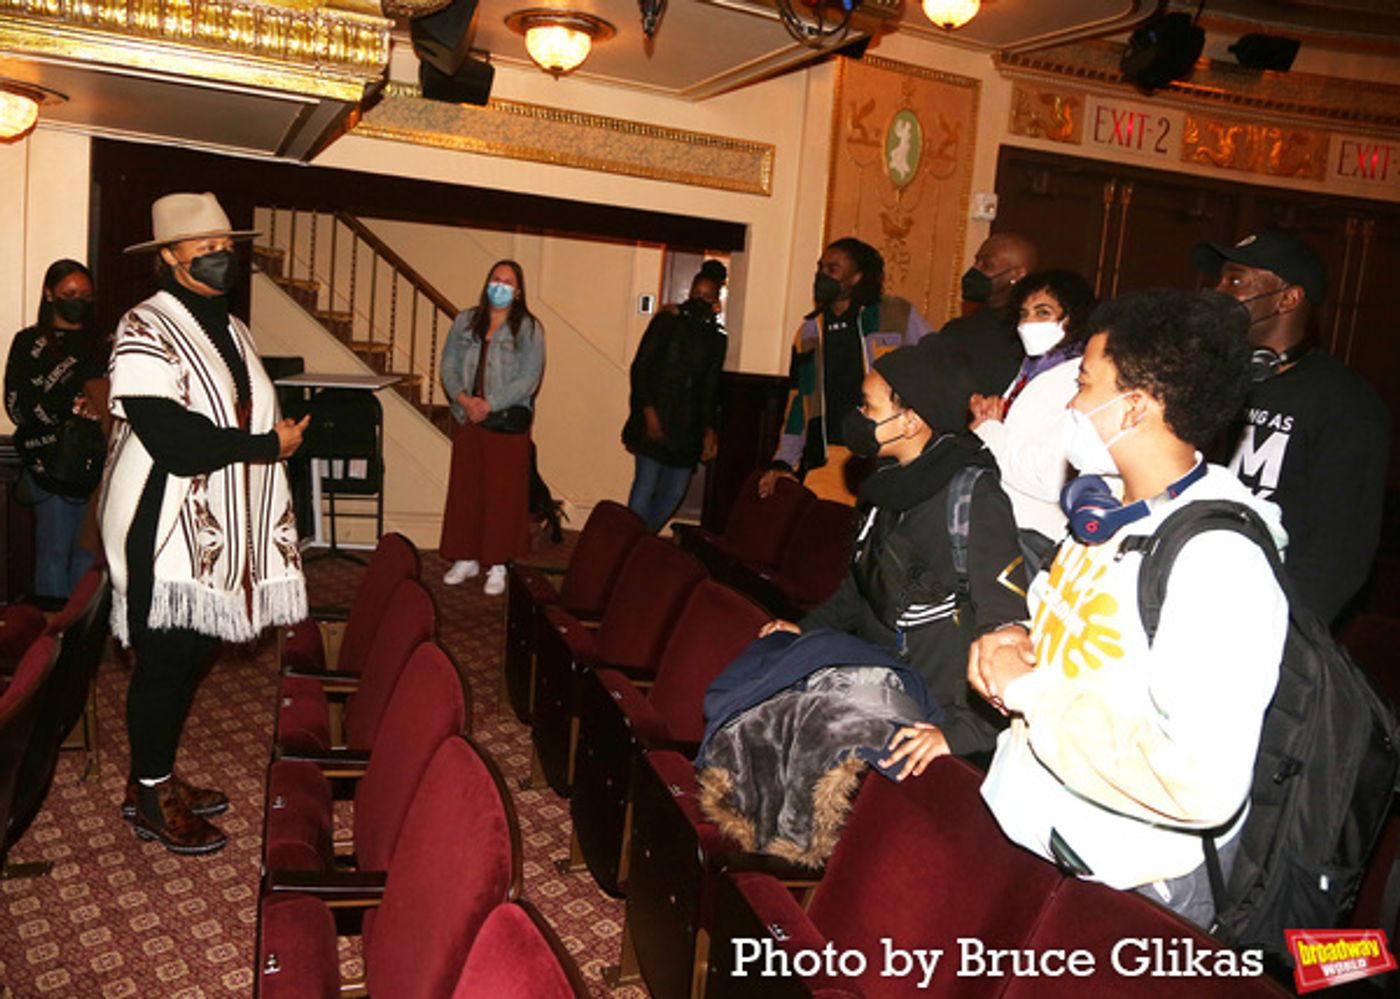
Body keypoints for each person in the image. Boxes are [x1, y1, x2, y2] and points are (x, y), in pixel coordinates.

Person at [974, 289, 1288, 929]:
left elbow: (1198, 782)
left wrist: (1032, 690)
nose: (1072, 402)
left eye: (1086, 383)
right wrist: (1022, 637)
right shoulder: (1113, 508)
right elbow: (1105, 644)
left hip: (1132, 886)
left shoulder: (1218, 562)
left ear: (1135, 407)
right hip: (1048, 833)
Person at [103, 192, 309, 854]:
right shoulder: (144, 325)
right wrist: (265, 447)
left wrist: (266, 437)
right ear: (168, 257)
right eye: (204, 245)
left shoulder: (230, 325)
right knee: (164, 663)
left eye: (226, 243)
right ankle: (152, 799)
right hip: (163, 525)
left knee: (192, 656)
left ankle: (149, 778)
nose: (221, 254)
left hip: (218, 533)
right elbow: (176, 438)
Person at [762, 336, 1028, 774]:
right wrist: (803, 631)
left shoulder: (973, 495)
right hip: (879, 679)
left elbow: (1004, 631)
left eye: (869, 407)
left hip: (935, 719)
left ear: (910, 422)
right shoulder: (887, 485)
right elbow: (861, 587)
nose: (859, 417)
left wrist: (958, 736)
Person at [1192, 232, 1390, 625]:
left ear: (1288, 298)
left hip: (1264, 621)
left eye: (1235, 280)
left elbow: (1338, 553)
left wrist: (1288, 638)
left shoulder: (1345, 403)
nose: (1217, 292)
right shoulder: (1209, 379)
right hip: (1194, 593)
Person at [759, 237, 930, 505]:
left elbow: (934, 366)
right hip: (827, 459)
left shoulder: (896, 315)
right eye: (820, 268)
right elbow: (798, 402)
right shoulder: (809, 331)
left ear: (856, 277)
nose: (822, 275)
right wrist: (784, 460)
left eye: (832, 269)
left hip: (884, 456)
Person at [968, 270, 1096, 571]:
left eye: (1044, 312)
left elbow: (1050, 479)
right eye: (1024, 313)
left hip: (1037, 537)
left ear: (1073, 318)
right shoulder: (1031, 370)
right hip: (1003, 526)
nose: (1029, 323)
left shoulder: (1078, 379)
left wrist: (989, 429)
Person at [439, 260, 546, 595]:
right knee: (467, 489)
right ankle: (466, 557)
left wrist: (490, 403)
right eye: (495, 279)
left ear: (518, 291)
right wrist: (463, 399)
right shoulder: (465, 321)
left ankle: (498, 564)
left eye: (507, 282)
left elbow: (529, 378)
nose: (499, 286)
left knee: (501, 494)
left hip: (505, 421)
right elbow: (448, 364)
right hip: (468, 417)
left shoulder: (528, 328)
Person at [5, 259, 107, 603]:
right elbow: (16, 404)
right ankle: (50, 642)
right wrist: (69, 409)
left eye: (86, 296)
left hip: (97, 463)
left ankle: (79, 640)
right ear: (50, 294)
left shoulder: (105, 342)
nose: (78, 301)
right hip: (47, 462)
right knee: (53, 551)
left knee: (87, 553)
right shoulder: (29, 343)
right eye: (70, 294)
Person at [622, 260, 727, 532]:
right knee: (644, 486)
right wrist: (648, 411)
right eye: (695, 294)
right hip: (655, 414)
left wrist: (709, 430)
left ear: (716, 300)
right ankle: (626, 546)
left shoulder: (717, 338)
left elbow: (710, 387)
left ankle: (639, 542)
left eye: (706, 296)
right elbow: (641, 367)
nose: (699, 300)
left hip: (688, 427)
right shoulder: (666, 322)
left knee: (673, 494)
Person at [938, 232, 1039, 397]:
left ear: (1017, 274)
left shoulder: (1029, 333)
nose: (975, 270)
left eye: (987, 264)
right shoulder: (958, 329)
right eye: (976, 261)